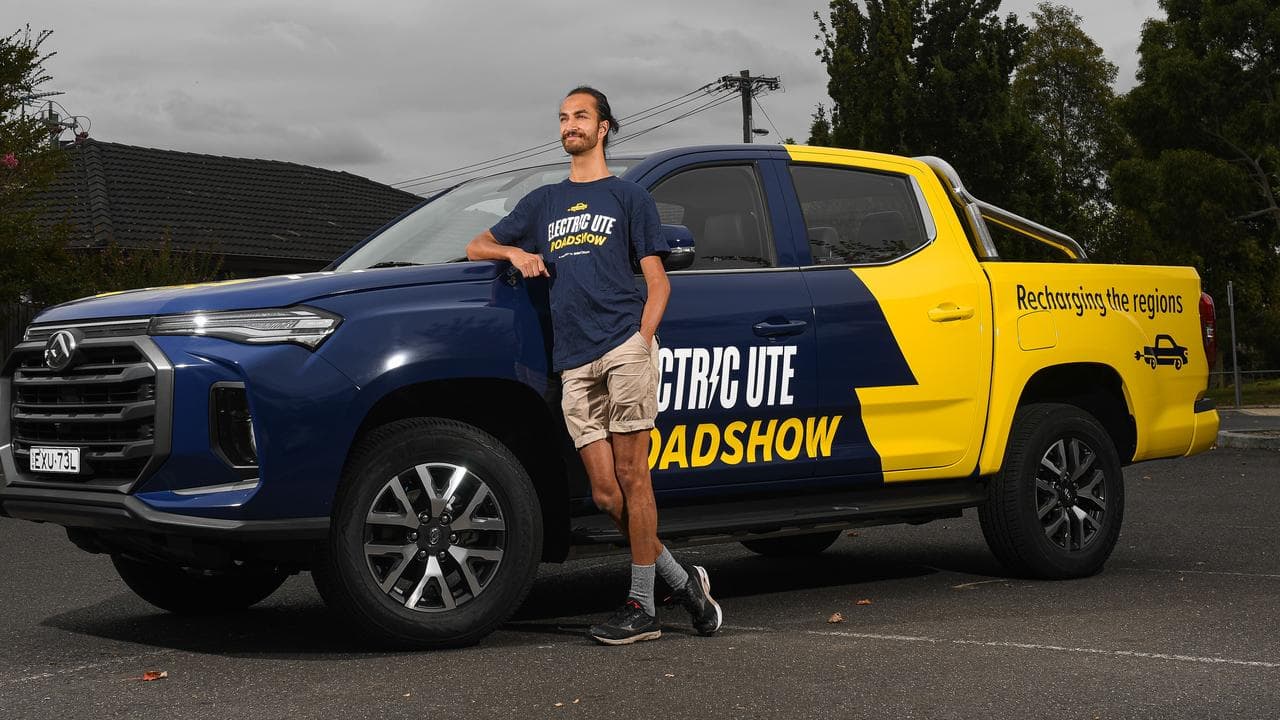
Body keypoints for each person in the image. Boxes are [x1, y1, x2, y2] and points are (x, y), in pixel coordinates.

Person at [466, 86, 722, 645]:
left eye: (580, 116)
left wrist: (641, 340)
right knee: (605, 494)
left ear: (603, 127)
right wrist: (517, 252)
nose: (569, 125)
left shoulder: (630, 199)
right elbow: (477, 245)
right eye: (562, 117)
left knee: (635, 477)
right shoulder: (544, 203)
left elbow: (658, 280)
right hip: (573, 359)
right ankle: (683, 583)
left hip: (621, 346)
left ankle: (641, 606)